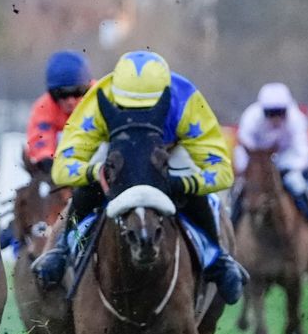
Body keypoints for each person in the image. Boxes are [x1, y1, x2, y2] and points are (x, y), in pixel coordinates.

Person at [31, 50, 248, 303]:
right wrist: (94, 172)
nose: (139, 117)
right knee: (87, 186)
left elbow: (222, 172)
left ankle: (216, 257)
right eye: (128, 108)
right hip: (117, 150)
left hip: (168, 151)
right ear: (116, 94)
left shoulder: (186, 101)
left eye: (149, 109)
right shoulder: (100, 97)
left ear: (166, 96)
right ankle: (64, 248)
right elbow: (62, 169)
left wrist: (182, 184)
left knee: (193, 187)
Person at [234, 82, 308, 234]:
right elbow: (243, 144)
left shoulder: (297, 120)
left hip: (285, 161)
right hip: (257, 159)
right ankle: (233, 223)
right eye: (270, 113)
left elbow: (302, 151)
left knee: (297, 185)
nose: (275, 118)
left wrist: (284, 168)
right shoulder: (251, 117)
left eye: (280, 112)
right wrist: (246, 167)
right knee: (240, 188)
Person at [24, 50, 93, 174]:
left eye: (78, 92)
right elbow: (40, 137)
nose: (70, 101)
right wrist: (45, 158)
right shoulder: (43, 107)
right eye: (62, 94)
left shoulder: (100, 97)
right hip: (59, 167)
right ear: (51, 94)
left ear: (87, 88)